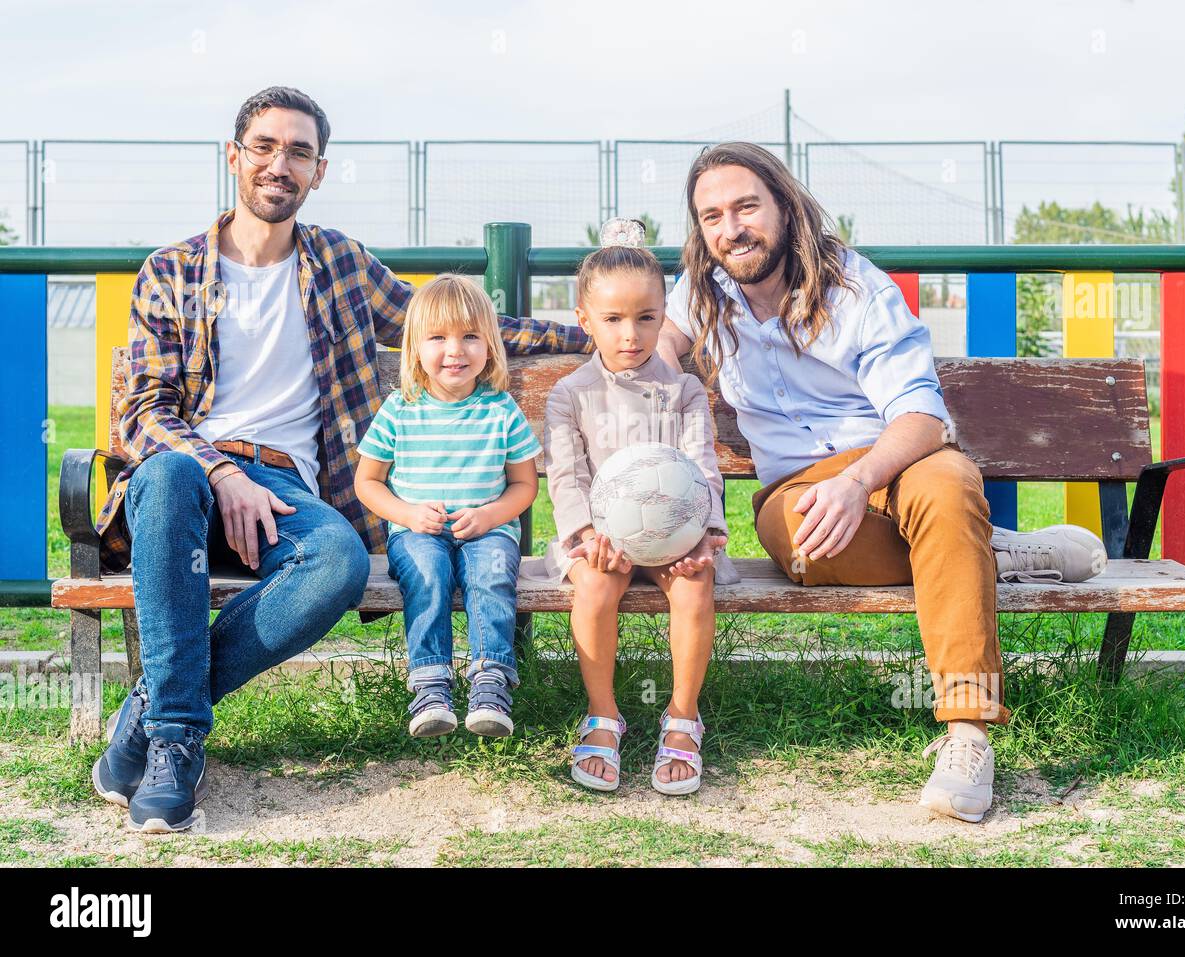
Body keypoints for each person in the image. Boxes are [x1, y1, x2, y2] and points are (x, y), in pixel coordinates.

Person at [90, 86, 591, 833]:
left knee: (340, 564)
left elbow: (459, 323)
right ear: (235, 157)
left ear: (319, 171)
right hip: (188, 480)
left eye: (298, 151)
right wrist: (222, 473)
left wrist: (597, 337)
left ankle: (155, 712)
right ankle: (177, 736)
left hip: (288, 488)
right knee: (164, 474)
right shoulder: (172, 271)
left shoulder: (342, 266)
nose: (278, 164)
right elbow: (143, 410)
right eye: (263, 146)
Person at [655, 142, 1105, 823]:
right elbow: (654, 347)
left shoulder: (856, 288)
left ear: (783, 204)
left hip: (897, 463)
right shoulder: (703, 291)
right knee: (814, 541)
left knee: (948, 489)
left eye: (746, 206)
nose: (731, 227)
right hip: (797, 492)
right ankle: (975, 551)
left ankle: (967, 732)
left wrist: (859, 477)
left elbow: (923, 416)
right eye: (711, 215)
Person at [528, 219, 740, 796]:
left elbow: (702, 467)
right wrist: (587, 532)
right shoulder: (573, 394)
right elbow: (567, 476)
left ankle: (682, 716)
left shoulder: (685, 391)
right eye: (613, 319)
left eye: (647, 318)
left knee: (694, 584)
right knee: (594, 587)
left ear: (664, 316)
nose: (631, 334)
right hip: (602, 538)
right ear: (585, 321)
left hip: (675, 533)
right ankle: (603, 715)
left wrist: (703, 533)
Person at [354, 275, 540, 739]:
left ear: (490, 347)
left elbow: (524, 485)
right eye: (438, 338)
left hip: (488, 529)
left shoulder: (500, 410)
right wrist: (407, 514)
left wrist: (491, 516)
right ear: (415, 348)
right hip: (417, 531)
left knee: (492, 573)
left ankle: (491, 680)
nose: (455, 350)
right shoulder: (400, 409)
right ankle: (431, 684)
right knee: (427, 574)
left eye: (470, 337)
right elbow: (368, 482)